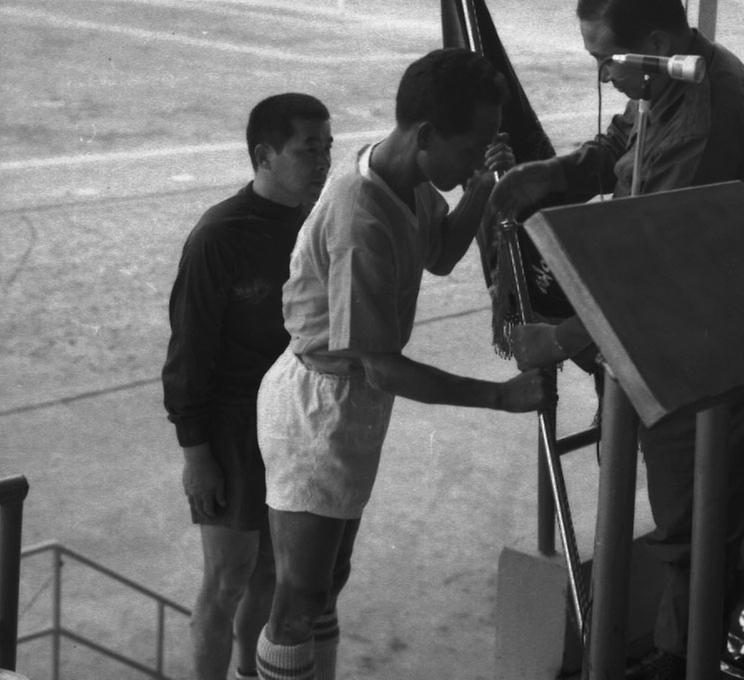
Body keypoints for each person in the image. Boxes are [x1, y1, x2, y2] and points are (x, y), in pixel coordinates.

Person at [491, 0, 744, 680]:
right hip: (661, 339)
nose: (604, 82)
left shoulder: (706, 117)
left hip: (700, 348)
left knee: (697, 524)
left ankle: (689, 661)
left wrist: (559, 339)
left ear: (655, 39)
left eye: (606, 63)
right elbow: (619, 147)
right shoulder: (663, 77)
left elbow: (656, 269)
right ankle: (681, 650)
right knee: (688, 520)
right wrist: (553, 175)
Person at [253, 47, 553, 680]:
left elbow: (440, 251)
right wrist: (500, 396)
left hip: (352, 401)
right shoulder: (360, 215)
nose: (475, 158)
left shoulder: (402, 176)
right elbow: (383, 366)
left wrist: (481, 187)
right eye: (470, 150)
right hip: (318, 409)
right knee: (297, 597)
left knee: (328, 580)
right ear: (424, 135)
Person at [164, 93, 333, 680]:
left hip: (297, 423)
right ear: (264, 155)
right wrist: (197, 455)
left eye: (329, 146)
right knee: (227, 578)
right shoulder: (219, 236)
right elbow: (188, 354)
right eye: (308, 148)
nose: (324, 160)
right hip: (234, 429)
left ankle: (249, 673)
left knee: (272, 575)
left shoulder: (321, 221)